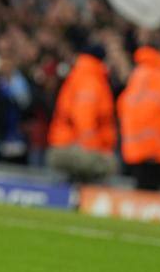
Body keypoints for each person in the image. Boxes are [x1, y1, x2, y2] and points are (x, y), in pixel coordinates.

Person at [117, 39, 160, 191]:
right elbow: (157, 109)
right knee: (150, 194)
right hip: (155, 148)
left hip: (136, 144)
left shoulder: (140, 72)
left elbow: (126, 105)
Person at [47, 45, 117, 183]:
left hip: (66, 143)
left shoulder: (79, 74)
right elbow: (84, 118)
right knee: (111, 165)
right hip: (75, 146)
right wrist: (94, 150)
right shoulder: (90, 79)